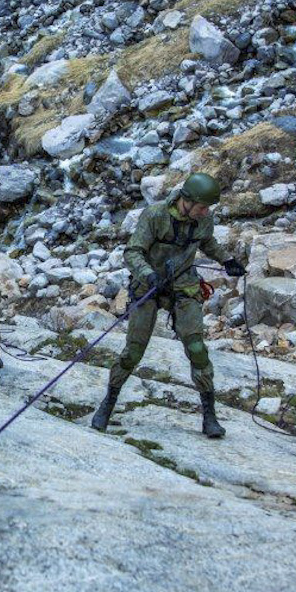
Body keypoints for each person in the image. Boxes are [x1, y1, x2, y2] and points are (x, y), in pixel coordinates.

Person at [90, 173, 246, 437]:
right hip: (149, 287)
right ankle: (108, 403)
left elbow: (207, 242)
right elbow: (133, 251)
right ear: (188, 200)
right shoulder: (155, 215)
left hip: (184, 287)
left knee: (196, 348)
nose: (206, 212)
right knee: (133, 352)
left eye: (208, 208)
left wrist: (227, 260)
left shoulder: (203, 217)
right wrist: (149, 275)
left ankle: (210, 417)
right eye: (203, 207)